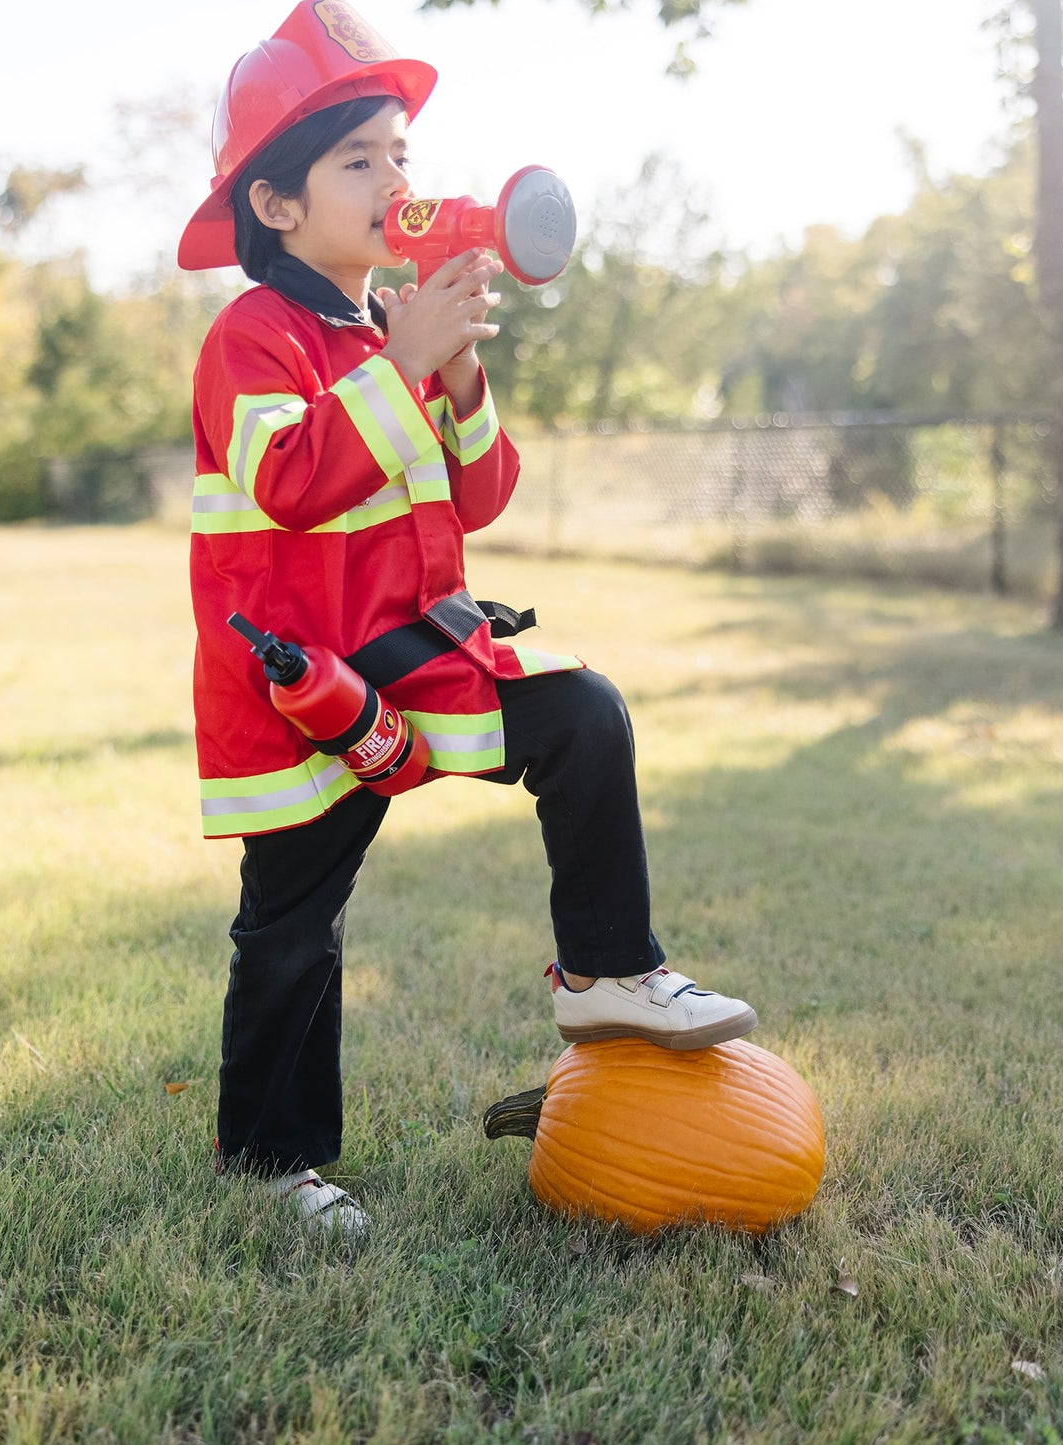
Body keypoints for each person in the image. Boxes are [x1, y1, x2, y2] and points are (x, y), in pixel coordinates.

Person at [178, 0, 756, 1241]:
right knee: (292, 921)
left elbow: (480, 493)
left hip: (407, 651)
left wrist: (453, 375)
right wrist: (398, 365)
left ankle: (606, 970)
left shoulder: (382, 332)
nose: (395, 178)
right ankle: (273, 1164)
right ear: (275, 206)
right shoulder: (252, 339)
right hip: (297, 685)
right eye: (358, 159)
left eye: (402, 154)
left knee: (581, 712)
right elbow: (289, 483)